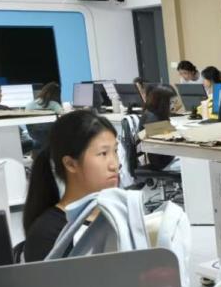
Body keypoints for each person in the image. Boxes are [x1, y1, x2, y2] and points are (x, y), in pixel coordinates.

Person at [23, 110, 120, 262]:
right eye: (103, 153)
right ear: (70, 164)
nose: (115, 165)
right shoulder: (48, 234)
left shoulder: (117, 213)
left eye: (115, 151)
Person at [139, 85, 177, 170]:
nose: (173, 106)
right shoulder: (154, 120)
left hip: (164, 159)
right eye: (171, 103)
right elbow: (169, 144)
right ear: (163, 103)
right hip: (163, 164)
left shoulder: (150, 113)